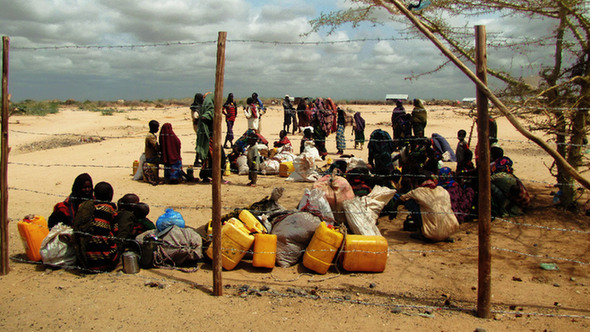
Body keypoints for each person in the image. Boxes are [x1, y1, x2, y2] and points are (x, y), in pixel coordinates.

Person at [73, 181, 119, 272]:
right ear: (110, 195)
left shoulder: (83, 206)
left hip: (84, 260)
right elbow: (116, 230)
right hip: (104, 261)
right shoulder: (111, 208)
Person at [400, 173, 459, 242]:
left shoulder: (418, 191)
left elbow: (402, 198)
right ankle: (443, 234)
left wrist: (394, 209)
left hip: (431, 234)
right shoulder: (443, 190)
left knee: (410, 202)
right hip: (450, 230)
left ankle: (422, 233)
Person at [190, 93, 204, 166]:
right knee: (200, 143)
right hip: (198, 127)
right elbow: (195, 117)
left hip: (198, 126)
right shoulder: (196, 107)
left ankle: (199, 159)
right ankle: (197, 160)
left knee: (200, 143)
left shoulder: (197, 106)